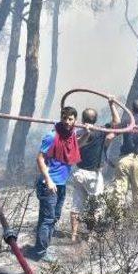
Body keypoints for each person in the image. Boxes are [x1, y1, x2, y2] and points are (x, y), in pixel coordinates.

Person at [33, 106, 81, 262]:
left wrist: (87, 132)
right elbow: (40, 158)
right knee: (48, 218)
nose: (67, 122)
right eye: (64, 118)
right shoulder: (52, 136)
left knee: (53, 217)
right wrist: (48, 180)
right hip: (49, 184)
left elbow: (78, 144)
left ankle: (41, 247)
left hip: (61, 184)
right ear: (61, 117)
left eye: (70, 119)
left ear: (75, 120)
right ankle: (41, 253)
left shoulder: (71, 136)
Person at [69, 99, 120, 241]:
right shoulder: (100, 132)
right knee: (97, 205)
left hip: (78, 173)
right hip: (93, 175)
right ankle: (91, 235)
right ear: (96, 119)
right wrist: (112, 104)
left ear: (82, 119)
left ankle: (73, 235)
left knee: (76, 205)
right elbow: (117, 122)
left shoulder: (77, 132)